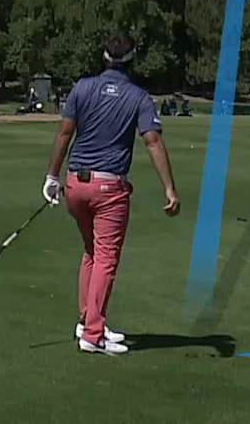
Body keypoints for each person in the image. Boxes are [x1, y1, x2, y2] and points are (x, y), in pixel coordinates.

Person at [42, 35, 180, 356]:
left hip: (76, 183)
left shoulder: (82, 87)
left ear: (104, 58)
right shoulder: (139, 97)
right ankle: (92, 334)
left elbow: (65, 133)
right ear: (132, 60)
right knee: (105, 257)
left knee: (91, 252)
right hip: (109, 189)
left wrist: (51, 176)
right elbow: (152, 142)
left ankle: (87, 321)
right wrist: (170, 189)